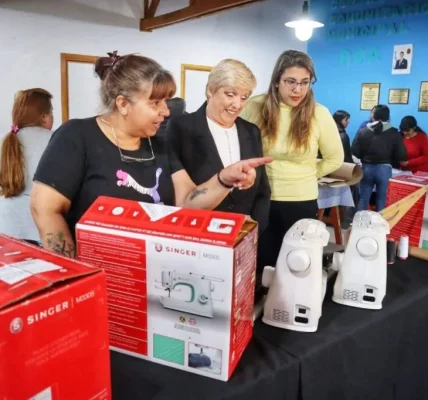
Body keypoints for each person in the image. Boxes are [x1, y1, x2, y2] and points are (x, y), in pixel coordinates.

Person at [30, 52, 271, 258]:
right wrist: (77, 275)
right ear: (123, 104)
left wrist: (223, 179)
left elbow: (187, 202)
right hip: (97, 272)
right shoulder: (77, 135)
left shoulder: (159, 145)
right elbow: (45, 209)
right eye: (155, 103)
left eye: (165, 101)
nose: (166, 111)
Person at [241, 49, 344, 270]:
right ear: (276, 81)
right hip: (259, 198)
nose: (298, 90)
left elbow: (335, 158)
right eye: (290, 82)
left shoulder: (319, 113)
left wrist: (306, 175)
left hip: (301, 200)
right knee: (260, 264)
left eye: (305, 82)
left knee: (296, 264)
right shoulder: (254, 106)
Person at [167, 59, 270, 234]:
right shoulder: (181, 128)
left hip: (243, 236)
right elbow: (174, 191)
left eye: (244, 97)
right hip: (197, 233)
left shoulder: (252, 131)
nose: (237, 105)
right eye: (230, 94)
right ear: (210, 90)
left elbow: (262, 190)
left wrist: (255, 230)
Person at [0, 88, 53, 243]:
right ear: (44, 117)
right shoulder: (55, 139)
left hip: (5, 226)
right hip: (40, 228)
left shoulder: (5, 140)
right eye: (51, 112)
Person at [352, 105, 407, 212]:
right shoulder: (394, 133)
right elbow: (401, 155)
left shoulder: (363, 131)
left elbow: (354, 151)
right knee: (382, 200)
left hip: (366, 169)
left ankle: (359, 221)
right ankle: (380, 222)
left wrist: (364, 156)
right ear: (388, 116)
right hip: (384, 169)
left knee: (363, 199)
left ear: (373, 116)